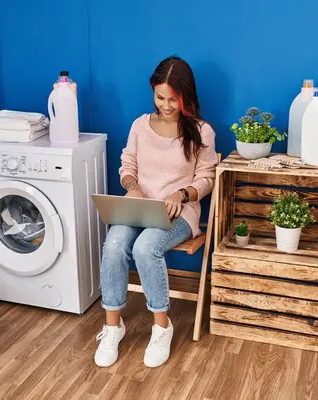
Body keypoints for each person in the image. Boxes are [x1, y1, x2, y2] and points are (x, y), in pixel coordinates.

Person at [94, 56, 218, 368]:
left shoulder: (202, 132)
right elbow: (127, 163)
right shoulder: (140, 125)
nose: (165, 105)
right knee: (114, 244)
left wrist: (183, 193)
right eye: (159, 97)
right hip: (140, 206)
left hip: (180, 214)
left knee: (146, 247)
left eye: (172, 99)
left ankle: (162, 327)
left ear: (185, 96)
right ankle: (112, 327)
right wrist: (131, 184)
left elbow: (207, 178)